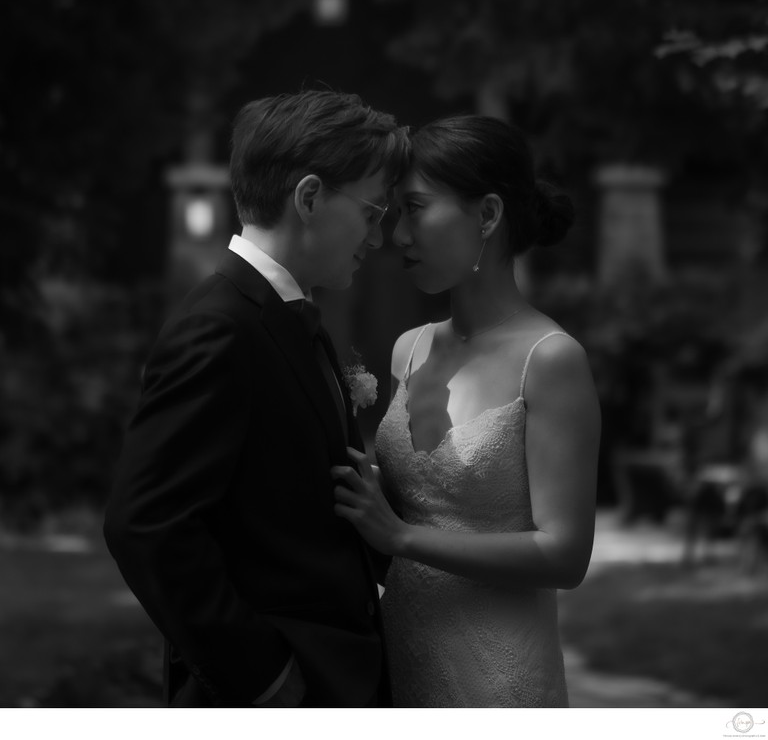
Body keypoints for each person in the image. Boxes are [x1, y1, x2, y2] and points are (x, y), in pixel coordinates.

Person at [103, 90, 409, 707]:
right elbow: (146, 524)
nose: (377, 237)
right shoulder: (219, 328)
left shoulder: (291, 317)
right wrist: (268, 678)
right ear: (311, 197)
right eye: (373, 212)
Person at [332, 114, 601, 707]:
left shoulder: (550, 360)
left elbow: (565, 554)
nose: (397, 235)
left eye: (416, 208)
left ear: (487, 215)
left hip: (498, 680)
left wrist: (402, 537)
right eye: (395, 212)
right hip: (402, 663)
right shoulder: (410, 348)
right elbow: (406, 509)